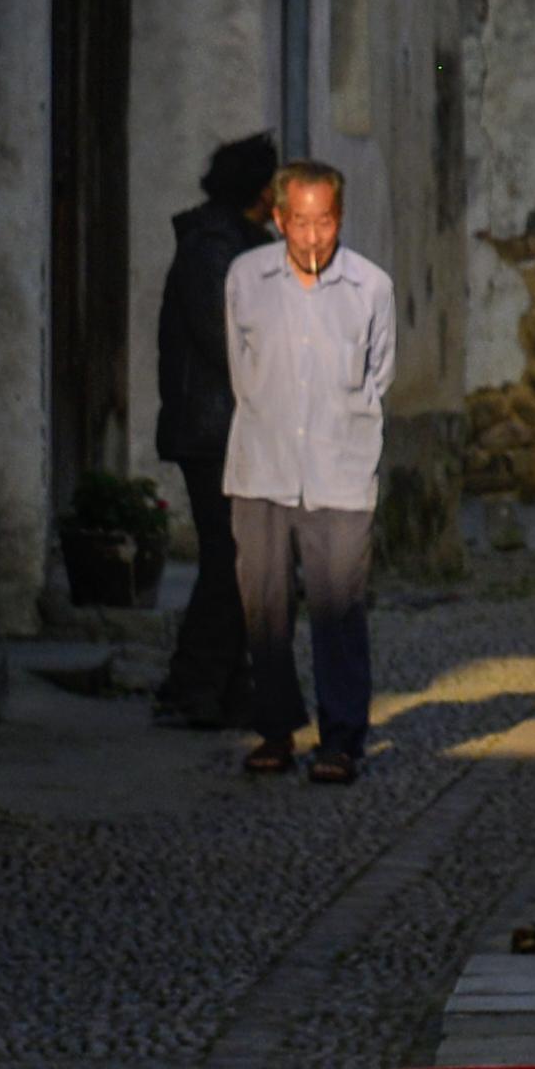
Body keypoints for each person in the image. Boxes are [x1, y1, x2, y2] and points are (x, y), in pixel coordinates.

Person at [219, 158, 392, 781]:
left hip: (339, 473)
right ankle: (274, 730)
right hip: (262, 467)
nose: (312, 236)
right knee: (263, 608)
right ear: (278, 218)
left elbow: (378, 376)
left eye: (324, 222)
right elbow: (241, 369)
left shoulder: (371, 287)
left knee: (339, 608)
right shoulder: (246, 278)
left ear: (339, 218)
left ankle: (341, 738)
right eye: (299, 222)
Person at [146, 137, 279, 728]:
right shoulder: (211, 252)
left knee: (243, 561)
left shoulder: (243, 248)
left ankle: (226, 685)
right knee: (228, 560)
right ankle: (192, 683)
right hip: (213, 431)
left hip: (238, 429)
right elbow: (228, 339)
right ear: (258, 191)